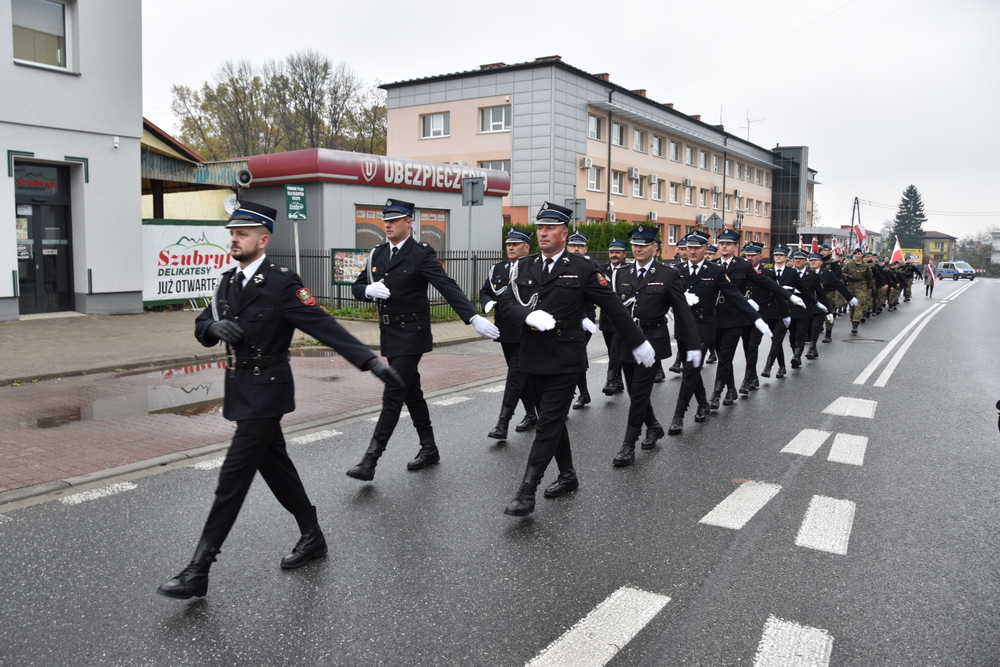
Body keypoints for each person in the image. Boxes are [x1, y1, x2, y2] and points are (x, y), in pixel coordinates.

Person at [157, 200, 404, 600]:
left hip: (267, 390)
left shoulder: (282, 283)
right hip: (242, 390)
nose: (234, 239)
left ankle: (198, 569)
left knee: (231, 479)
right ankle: (312, 535)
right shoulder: (229, 281)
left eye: (242, 233)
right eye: (232, 234)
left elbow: (324, 326)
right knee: (276, 467)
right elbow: (204, 321)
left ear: (263, 238)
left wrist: (371, 363)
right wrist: (212, 327)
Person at [496, 202, 653, 516]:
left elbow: (613, 307)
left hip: (565, 356)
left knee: (548, 422)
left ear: (564, 233)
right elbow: (505, 303)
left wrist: (638, 342)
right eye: (540, 228)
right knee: (551, 422)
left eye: (550, 228)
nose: (542, 233)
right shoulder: (524, 266)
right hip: (532, 355)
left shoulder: (582, 268)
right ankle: (567, 475)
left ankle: (527, 490)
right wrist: (528, 315)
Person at [348, 199, 499, 481]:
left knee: (394, 391)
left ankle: (370, 460)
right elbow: (356, 286)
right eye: (386, 220)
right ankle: (429, 449)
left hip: (412, 334)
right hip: (389, 334)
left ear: (409, 222)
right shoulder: (377, 254)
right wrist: (367, 289)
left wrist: (473, 318)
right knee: (410, 392)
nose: (388, 224)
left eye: (395, 220)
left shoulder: (421, 254)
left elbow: (447, 286)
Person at [610, 224, 699, 460]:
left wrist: (694, 345)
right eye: (635, 245)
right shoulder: (621, 273)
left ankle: (628, 444)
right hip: (627, 340)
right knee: (633, 391)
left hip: (652, 339)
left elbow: (683, 312)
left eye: (643, 245)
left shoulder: (668, 274)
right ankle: (654, 426)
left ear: (655, 248)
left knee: (639, 392)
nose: (638, 249)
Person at [670, 232, 769, 433]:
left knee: (690, 370)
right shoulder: (676, 270)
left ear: (706, 249)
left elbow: (735, 295)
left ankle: (678, 415)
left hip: (706, 326)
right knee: (693, 370)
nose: (692, 251)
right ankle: (703, 404)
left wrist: (756, 318)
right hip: (683, 327)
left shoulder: (714, 271)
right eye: (689, 247)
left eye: (697, 248)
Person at [709, 228, 801, 407]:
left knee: (727, 356)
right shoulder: (712, 265)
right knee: (722, 357)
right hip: (716, 317)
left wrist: (788, 296)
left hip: (736, 317)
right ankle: (731, 388)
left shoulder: (743, 266)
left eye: (728, 244)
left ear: (736, 247)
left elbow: (765, 282)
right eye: (721, 244)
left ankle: (717, 393)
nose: (724, 247)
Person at [481, 227, 538, 440]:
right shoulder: (498, 268)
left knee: (515, 375)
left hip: (526, 331)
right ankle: (532, 414)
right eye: (508, 244)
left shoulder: (534, 267)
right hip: (505, 331)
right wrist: (487, 303)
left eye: (515, 244)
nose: (511, 247)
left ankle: (502, 422)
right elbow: (486, 291)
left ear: (526, 247)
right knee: (521, 376)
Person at [741, 243, 789, 392]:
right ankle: (753, 376)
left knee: (752, 346)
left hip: (761, 316)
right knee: (746, 346)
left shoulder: (768, 274)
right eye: (747, 255)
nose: (750, 258)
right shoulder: (740, 271)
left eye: (753, 255)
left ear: (760, 256)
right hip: (743, 315)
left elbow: (778, 293)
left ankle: (746, 380)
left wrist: (785, 314)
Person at [566, 231, 597, 409]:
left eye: (580, 246)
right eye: (572, 245)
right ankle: (583, 394)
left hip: (585, 318)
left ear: (586, 248)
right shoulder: (561, 265)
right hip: (565, 318)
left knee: (574, 355)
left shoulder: (590, 267)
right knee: (571, 357)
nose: (576, 249)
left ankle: (575, 394)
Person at [787, 250, 831, 367]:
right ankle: (795, 352)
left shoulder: (812, 276)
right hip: (790, 308)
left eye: (800, 258)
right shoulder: (788, 273)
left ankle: (797, 355)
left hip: (805, 308)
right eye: (796, 258)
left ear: (806, 261)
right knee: (792, 334)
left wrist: (828, 311)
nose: (797, 260)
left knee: (801, 333)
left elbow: (820, 293)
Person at [599, 238, 631, 397]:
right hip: (606, 316)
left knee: (615, 349)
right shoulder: (601, 269)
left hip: (622, 315)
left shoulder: (629, 269)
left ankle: (610, 380)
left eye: (618, 252)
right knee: (611, 347)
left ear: (624, 254)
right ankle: (618, 382)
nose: (614, 255)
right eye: (612, 252)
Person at [808, 252, 853, 352]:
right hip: (809, 302)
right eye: (811, 261)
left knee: (818, 324)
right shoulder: (806, 273)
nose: (812, 262)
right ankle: (812, 347)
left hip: (825, 299)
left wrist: (849, 297)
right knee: (809, 326)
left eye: (815, 260)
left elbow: (839, 285)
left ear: (820, 263)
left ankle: (818, 342)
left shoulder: (827, 273)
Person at [841, 248, 875, 334]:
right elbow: (842, 273)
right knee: (852, 305)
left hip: (861, 286)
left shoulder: (866, 265)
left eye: (859, 254)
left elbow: (869, 277)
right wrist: (847, 277)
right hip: (851, 286)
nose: (857, 256)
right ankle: (853, 320)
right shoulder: (849, 264)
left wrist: (871, 288)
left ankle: (855, 324)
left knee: (859, 305)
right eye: (855, 254)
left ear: (862, 255)